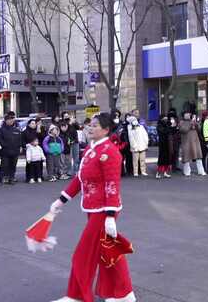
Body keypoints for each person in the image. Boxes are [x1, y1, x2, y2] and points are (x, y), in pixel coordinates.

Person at [49, 113, 136, 302]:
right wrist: (61, 200)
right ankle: (124, 293)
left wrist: (111, 216)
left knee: (83, 253)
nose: (90, 128)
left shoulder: (110, 152)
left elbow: (112, 185)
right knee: (108, 249)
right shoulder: (90, 149)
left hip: (104, 209)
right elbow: (81, 178)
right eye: (90, 125)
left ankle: (76, 295)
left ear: (105, 130)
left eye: (95, 125)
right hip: (93, 207)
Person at [0, 113, 22, 185]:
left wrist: (19, 147)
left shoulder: (16, 130)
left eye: (12, 119)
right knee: (4, 166)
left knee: (13, 166)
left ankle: (11, 179)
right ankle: (0, 179)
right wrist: (5, 145)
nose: (11, 121)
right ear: (6, 120)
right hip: (6, 151)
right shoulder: (1, 130)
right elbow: (0, 140)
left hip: (15, 151)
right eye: (9, 119)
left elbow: (19, 140)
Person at [179, 111, 206, 176]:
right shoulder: (181, 122)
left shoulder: (193, 121)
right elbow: (184, 130)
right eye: (186, 114)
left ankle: (201, 171)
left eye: (189, 114)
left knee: (198, 157)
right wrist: (190, 124)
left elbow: (199, 129)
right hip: (186, 142)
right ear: (183, 115)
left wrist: (196, 123)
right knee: (186, 158)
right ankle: (187, 172)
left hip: (195, 142)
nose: (188, 115)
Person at [156, 114, 175, 179]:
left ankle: (165, 172)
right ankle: (158, 172)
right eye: (164, 119)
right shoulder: (159, 125)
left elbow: (172, 131)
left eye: (166, 119)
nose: (166, 120)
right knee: (161, 158)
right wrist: (169, 127)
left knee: (167, 158)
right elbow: (163, 131)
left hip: (168, 143)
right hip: (162, 143)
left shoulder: (168, 124)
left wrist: (172, 126)